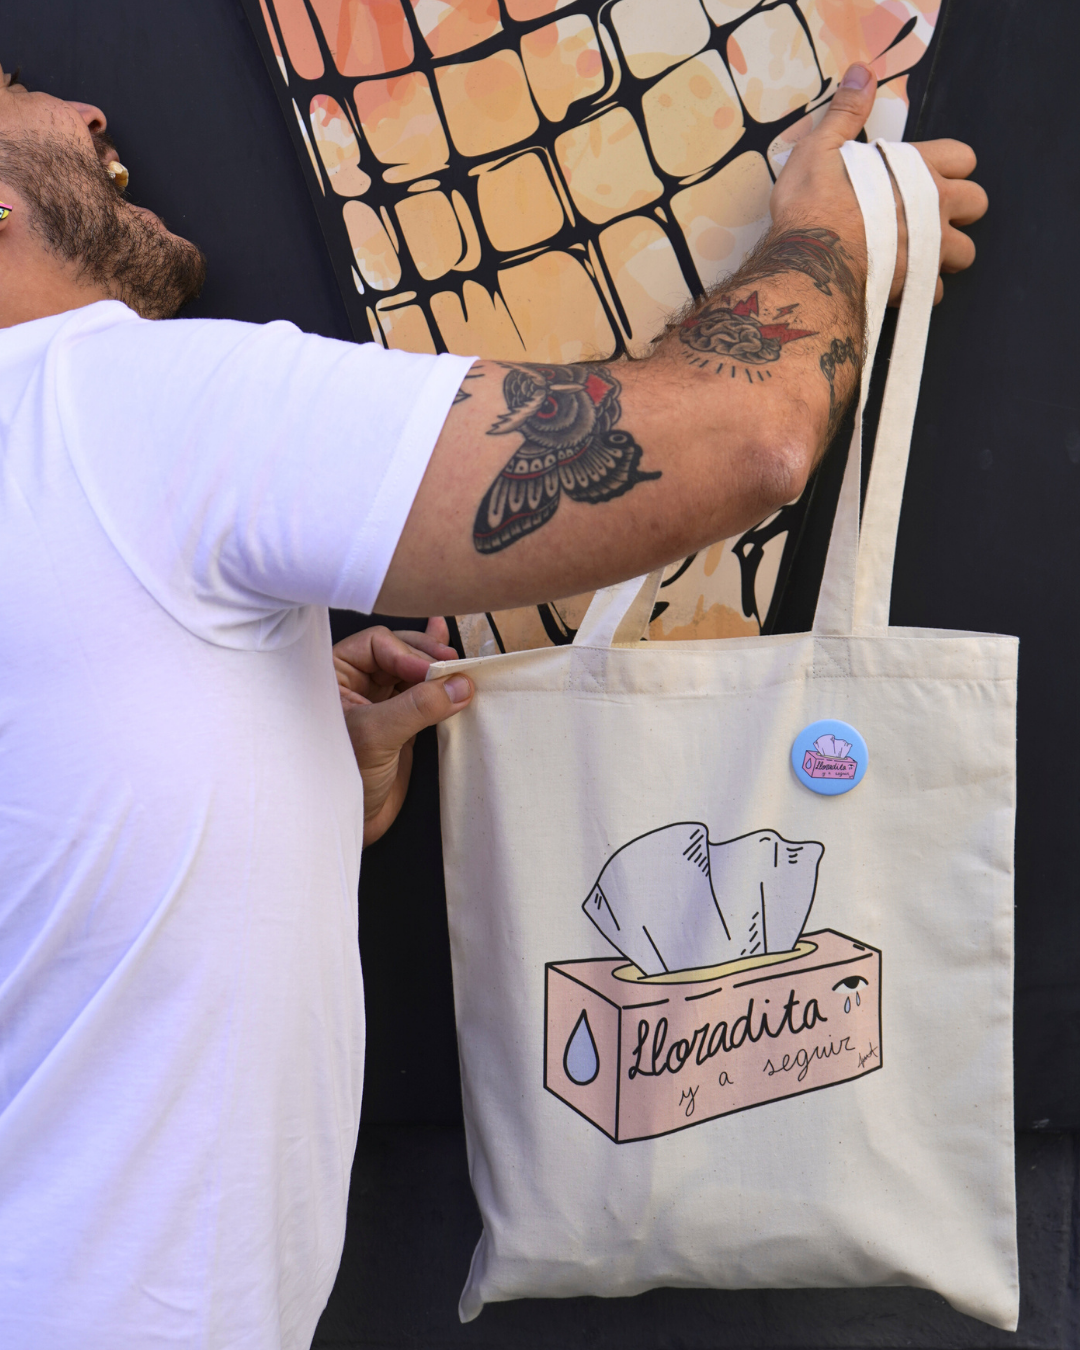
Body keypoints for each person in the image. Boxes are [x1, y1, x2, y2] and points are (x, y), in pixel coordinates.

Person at [0, 57, 986, 1350]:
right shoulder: (128, 403)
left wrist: (292, 775)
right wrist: (826, 231)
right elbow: (742, 436)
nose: (86, 109)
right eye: (13, 89)